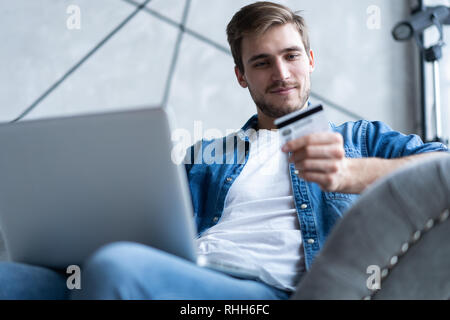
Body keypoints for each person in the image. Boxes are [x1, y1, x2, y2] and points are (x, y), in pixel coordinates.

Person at [0, 1, 447, 300]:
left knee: (117, 269)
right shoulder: (208, 155)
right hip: (188, 277)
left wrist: (351, 174)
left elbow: (444, 167)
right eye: (261, 62)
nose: (281, 72)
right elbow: (150, 231)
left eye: (291, 56)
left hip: (258, 294)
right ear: (241, 75)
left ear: (310, 60)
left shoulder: (361, 139)